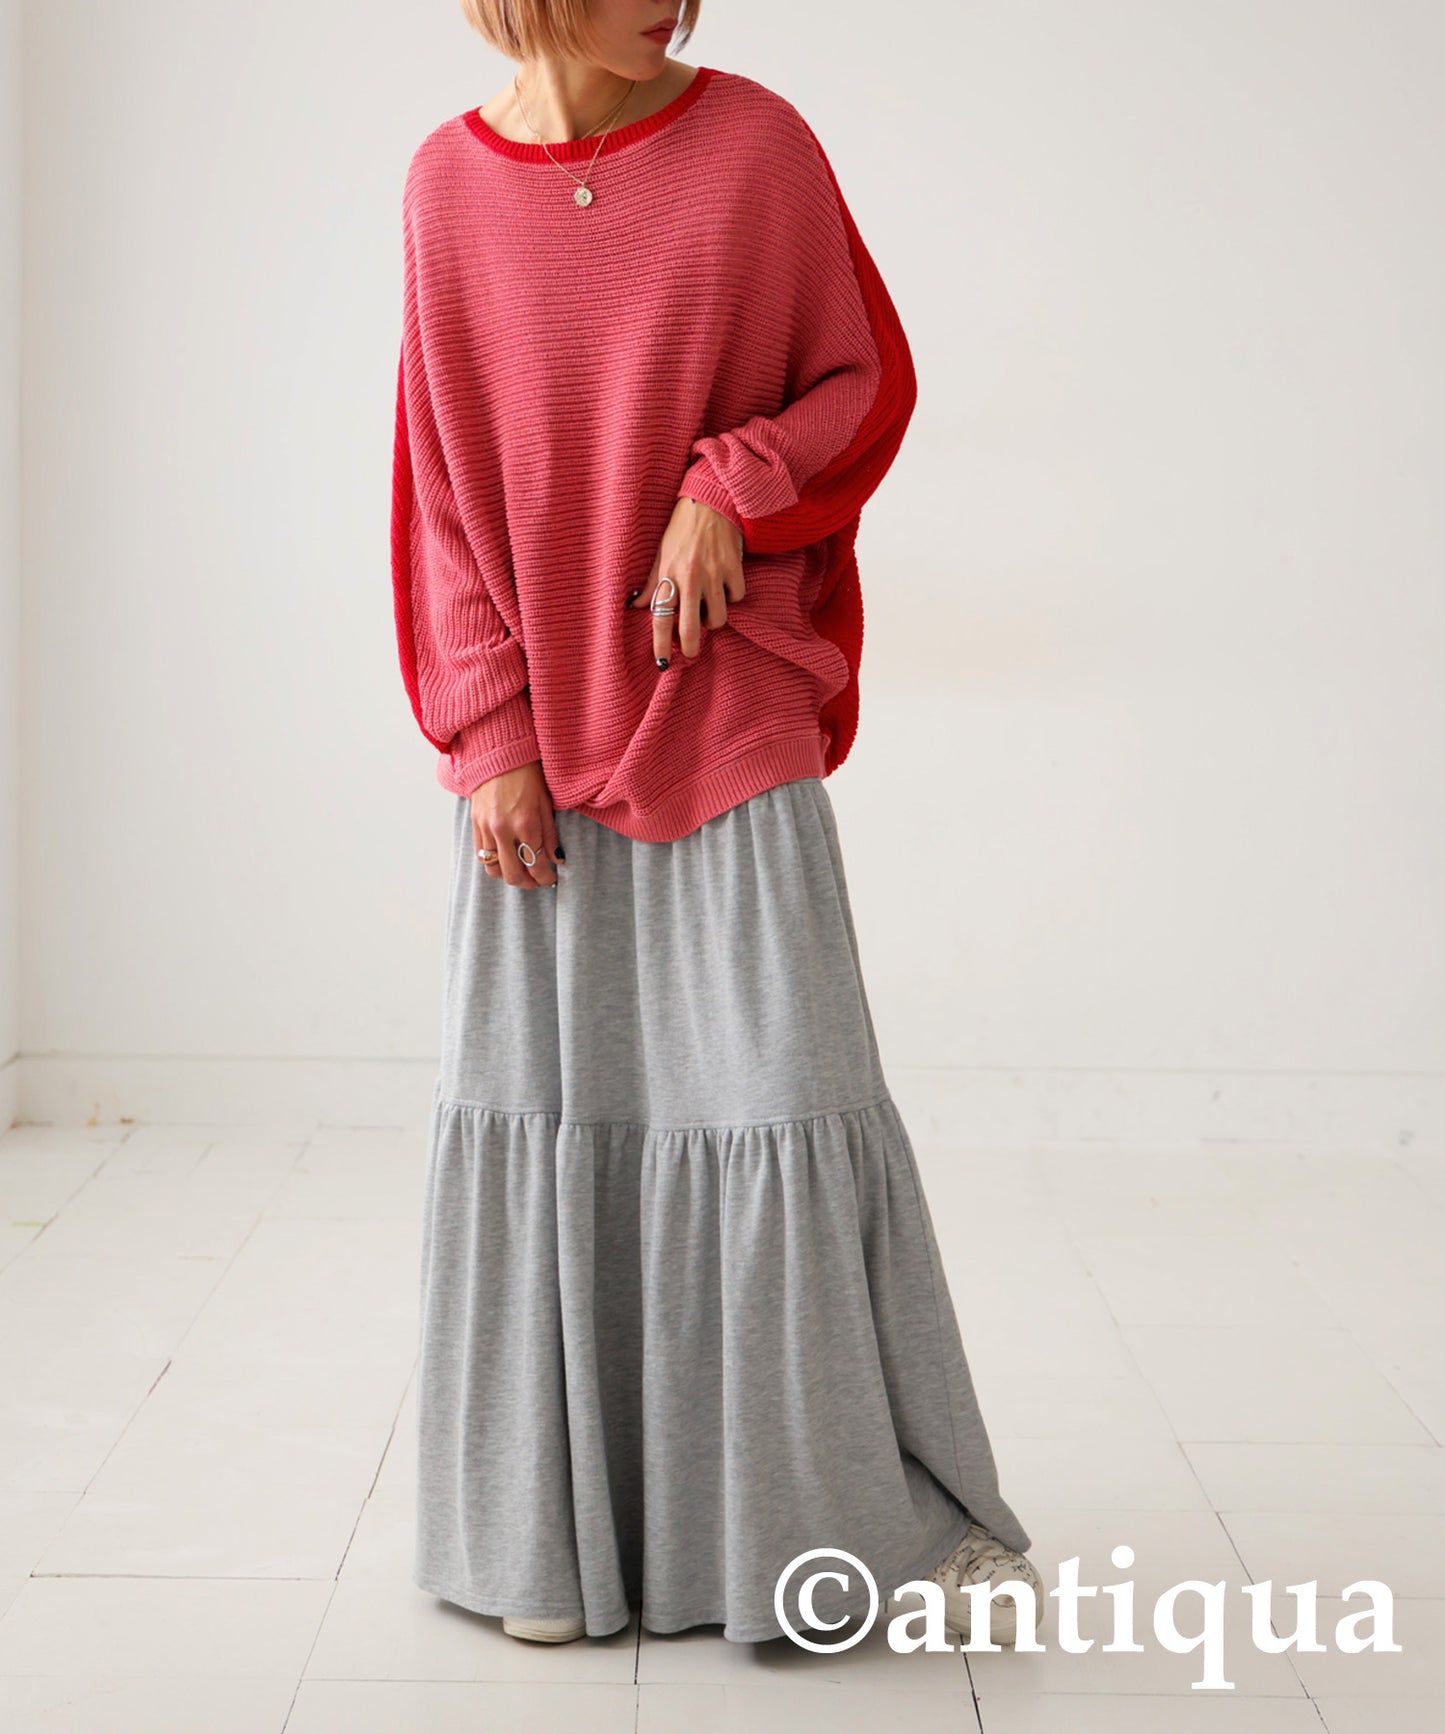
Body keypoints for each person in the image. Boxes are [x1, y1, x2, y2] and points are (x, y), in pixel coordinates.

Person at [391, 0, 1043, 1648]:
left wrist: (727, 485)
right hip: (541, 733)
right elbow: (437, 491)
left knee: (777, 1097)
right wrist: (487, 730)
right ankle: (556, 1543)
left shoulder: (753, 147)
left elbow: (858, 378)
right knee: (554, 1110)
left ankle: (804, 1533)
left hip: (724, 687)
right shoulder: (445, 188)